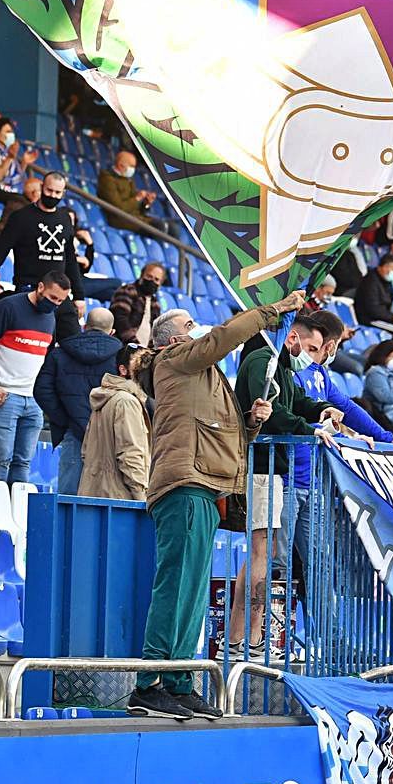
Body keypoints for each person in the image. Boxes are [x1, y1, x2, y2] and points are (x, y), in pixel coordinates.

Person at [126, 292, 297, 719]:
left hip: (202, 488)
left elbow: (226, 437)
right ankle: (149, 683)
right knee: (176, 586)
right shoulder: (174, 361)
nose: (196, 328)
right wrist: (270, 310)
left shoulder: (200, 378)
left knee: (192, 591)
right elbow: (224, 336)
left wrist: (252, 423)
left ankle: (179, 681)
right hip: (183, 485)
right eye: (188, 325)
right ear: (170, 341)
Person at [233, 314, 341, 653]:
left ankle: (250, 638)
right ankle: (243, 639)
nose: (310, 356)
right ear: (291, 336)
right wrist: (311, 431)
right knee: (263, 557)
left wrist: (322, 410)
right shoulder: (262, 361)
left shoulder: (281, 365)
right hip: (262, 469)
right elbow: (275, 413)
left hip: (275, 471)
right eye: (308, 347)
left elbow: (297, 402)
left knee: (266, 557)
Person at [0, 271, 71, 485]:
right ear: (40, 288)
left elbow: (47, 357)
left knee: (23, 462)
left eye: (60, 301)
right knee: (1, 458)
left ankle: (17, 513)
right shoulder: (9, 307)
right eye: (52, 298)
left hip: (34, 399)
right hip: (5, 395)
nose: (55, 304)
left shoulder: (51, 317)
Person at [36, 305, 123, 494]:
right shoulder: (122, 358)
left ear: (85, 326)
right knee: (104, 497)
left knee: (68, 497)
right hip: (109, 435)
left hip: (72, 432)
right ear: (112, 331)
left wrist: (65, 419)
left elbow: (42, 390)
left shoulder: (59, 353)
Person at [0, 172, 87, 313]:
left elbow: (70, 259)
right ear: (42, 187)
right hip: (29, 291)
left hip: (59, 295)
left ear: (63, 193)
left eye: (57, 192)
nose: (53, 196)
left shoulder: (65, 218)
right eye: (49, 190)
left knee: (72, 332)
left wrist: (79, 295)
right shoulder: (21, 217)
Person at [79, 343, 152, 500]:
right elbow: (130, 455)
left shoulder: (108, 397)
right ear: (123, 370)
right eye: (140, 365)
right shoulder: (127, 401)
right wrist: (141, 497)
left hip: (95, 495)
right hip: (120, 499)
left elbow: (85, 451)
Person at [98, 148, 159, 232]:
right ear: (121, 165)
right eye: (132, 166)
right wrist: (137, 198)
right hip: (120, 220)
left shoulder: (128, 179)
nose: (133, 169)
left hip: (135, 218)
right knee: (162, 227)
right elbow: (118, 209)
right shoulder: (107, 179)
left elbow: (136, 208)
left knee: (170, 227)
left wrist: (145, 203)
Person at [109, 262, 166, 346]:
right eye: (149, 276)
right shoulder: (127, 291)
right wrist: (134, 344)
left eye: (156, 279)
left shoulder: (155, 304)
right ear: (141, 275)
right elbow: (119, 319)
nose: (152, 281)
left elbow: (155, 331)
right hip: (122, 347)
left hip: (143, 352)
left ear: (160, 284)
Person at [354, 252, 393, 325]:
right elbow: (372, 309)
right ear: (384, 267)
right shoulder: (370, 281)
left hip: (382, 318)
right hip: (370, 320)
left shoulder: (386, 281)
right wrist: (392, 317)